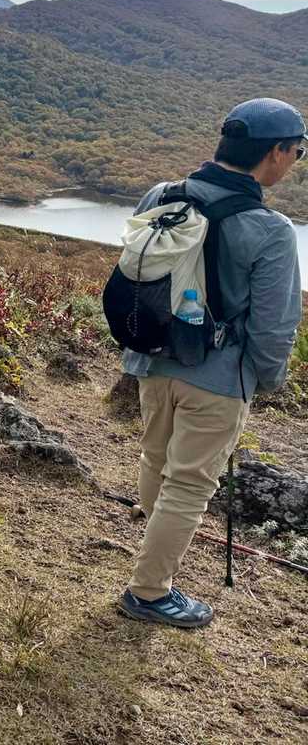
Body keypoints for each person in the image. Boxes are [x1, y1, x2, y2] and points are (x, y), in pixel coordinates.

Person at [118, 97, 304, 628]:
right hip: (218, 378)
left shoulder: (163, 195)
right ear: (274, 152)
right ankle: (149, 592)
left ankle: (155, 552)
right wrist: (265, 379)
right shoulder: (270, 229)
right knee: (190, 484)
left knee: (156, 460)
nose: (295, 162)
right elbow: (273, 326)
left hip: (152, 361)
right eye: (296, 152)